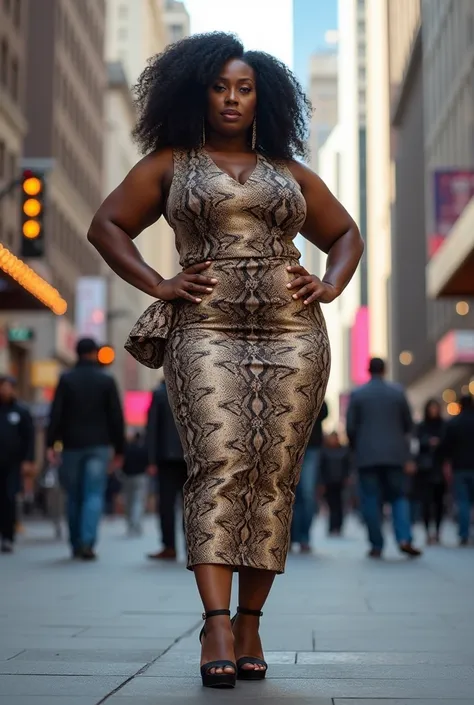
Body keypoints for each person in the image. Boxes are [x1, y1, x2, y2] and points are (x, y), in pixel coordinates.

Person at [87, 33, 363, 688]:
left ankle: (250, 621)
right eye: (219, 86)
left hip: (294, 335)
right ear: (197, 92)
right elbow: (106, 225)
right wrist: (159, 282)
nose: (232, 98)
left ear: (261, 98)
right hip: (205, 329)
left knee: (273, 474)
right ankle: (215, 620)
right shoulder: (171, 163)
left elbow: (345, 232)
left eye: (244, 88)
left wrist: (329, 284)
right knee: (218, 465)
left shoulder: (290, 172)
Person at [47, 338, 125, 560]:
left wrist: (50, 444)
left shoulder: (66, 379)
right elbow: (116, 418)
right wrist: (119, 449)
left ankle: (75, 542)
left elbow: (56, 414)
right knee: (93, 493)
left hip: (71, 445)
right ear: (93, 353)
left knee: (74, 495)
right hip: (99, 446)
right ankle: (87, 542)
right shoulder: (106, 380)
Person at [346, 358, 422, 559]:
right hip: (395, 456)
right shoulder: (397, 392)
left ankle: (376, 544)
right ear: (385, 370)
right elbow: (409, 425)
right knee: (398, 497)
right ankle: (404, 538)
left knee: (370, 500)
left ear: (368, 370)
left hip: (367, 456)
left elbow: (350, 428)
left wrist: (357, 449)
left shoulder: (358, 394)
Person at [146, 380, 187, 561]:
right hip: (191, 457)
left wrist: (151, 459)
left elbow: (153, 427)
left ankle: (169, 546)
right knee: (192, 505)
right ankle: (193, 547)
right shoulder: (197, 387)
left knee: (166, 505)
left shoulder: (160, 393)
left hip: (166, 457)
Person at [0, 375, 35, 553]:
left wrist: (28, 460)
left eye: (8, 387)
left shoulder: (21, 411)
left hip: (13, 463)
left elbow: (29, 438)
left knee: (9, 497)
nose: (5, 390)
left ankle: (8, 536)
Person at [291, 400, 328, 552]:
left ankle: (303, 537)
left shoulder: (315, 383)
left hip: (310, 446)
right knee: (292, 494)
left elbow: (324, 412)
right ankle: (290, 537)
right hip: (289, 447)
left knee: (306, 494)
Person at [439, 394, 474, 546]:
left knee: (463, 502)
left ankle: (464, 534)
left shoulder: (454, 423)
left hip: (459, 467)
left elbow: (445, 447)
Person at [414, 399, 446, 544]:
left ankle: (437, 531)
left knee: (439, 501)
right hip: (425, 469)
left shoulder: (444, 426)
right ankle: (428, 532)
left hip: (440, 467)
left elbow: (448, 443)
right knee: (426, 502)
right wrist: (428, 442)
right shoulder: (421, 427)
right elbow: (416, 444)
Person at [320, 431, 351, 536]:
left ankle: (338, 526)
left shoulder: (344, 450)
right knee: (332, 505)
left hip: (340, 482)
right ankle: (332, 526)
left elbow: (347, 465)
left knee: (340, 505)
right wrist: (321, 482)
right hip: (329, 482)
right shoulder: (324, 451)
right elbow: (321, 468)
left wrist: (347, 477)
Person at [122, 430, 149, 536]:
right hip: (141, 477)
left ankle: (130, 525)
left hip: (128, 477)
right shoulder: (144, 449)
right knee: (138, 502)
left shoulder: (127, 448)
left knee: (128, 502)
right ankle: (136, 524)